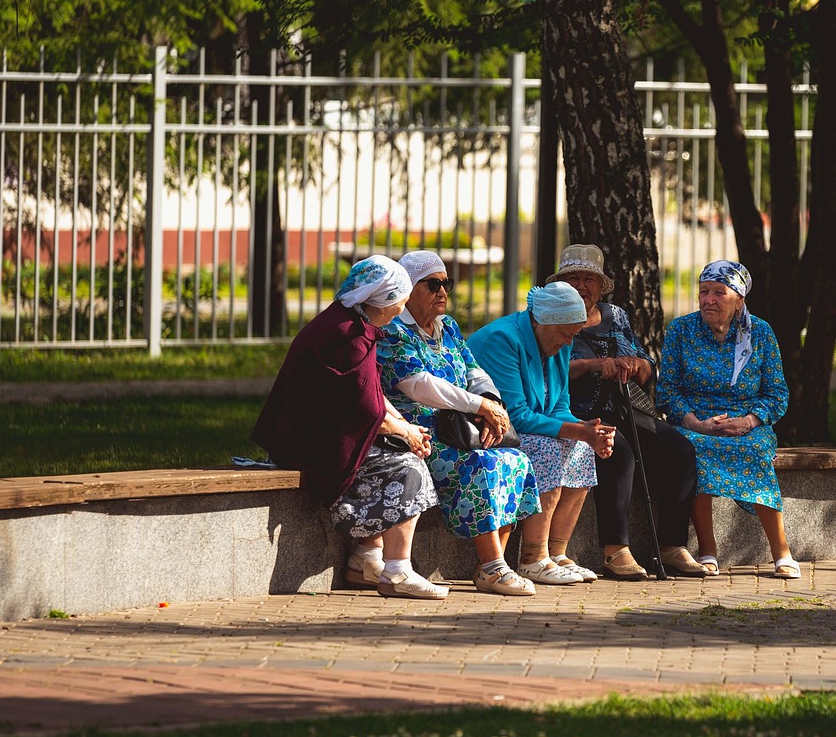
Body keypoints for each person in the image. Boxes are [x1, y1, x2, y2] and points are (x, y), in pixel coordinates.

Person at [251, 255, 450, 600]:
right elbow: (365, 408)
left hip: (319, 432)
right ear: (385, 301)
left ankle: (367, 559)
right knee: (408, 467)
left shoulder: (351, 322)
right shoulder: (348, 335)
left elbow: (369, 387)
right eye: (399, 302)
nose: (400, 310)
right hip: (307, 442)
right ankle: (397, 572)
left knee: (402, 449)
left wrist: (404, 425)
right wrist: (407, 433)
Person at [375, 250, 542, 597]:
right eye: (432, 284)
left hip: (462, 426)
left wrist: (493, 406)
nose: (442, 292)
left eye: (446, 283)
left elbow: (474, 371)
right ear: (408, 289)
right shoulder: (393, 329)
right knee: (478, 464)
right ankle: (494, 566)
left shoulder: (447, 326)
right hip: (420, 431)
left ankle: (491, 567)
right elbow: (418, 385)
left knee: (516, 459)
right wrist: (478, 405)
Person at [547, 244, 709, 579]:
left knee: (680, 449)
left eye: (588, 279)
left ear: (599, 285)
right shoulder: (550, 317)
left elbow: (646, 363)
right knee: (617, 449)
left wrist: (637, 365)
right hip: (576, 411)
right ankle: (615, 550)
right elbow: (546, 368)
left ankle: (672, 546)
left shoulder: (615, 315)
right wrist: (594, 365)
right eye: (573, 278)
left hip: (625, 407)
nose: (581, 286)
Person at [467, 282, 617, 585]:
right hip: (487, 431)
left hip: (525, 428)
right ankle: (532, 558)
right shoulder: (504, 338)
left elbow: (560, 405)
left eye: (573, 335)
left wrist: (588, 432)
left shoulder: (559, 340)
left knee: (581, 448)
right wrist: (579, 430)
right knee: (547, 449)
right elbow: (516, 416)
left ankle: (555, 554)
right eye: (565, 334)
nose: (568, 343)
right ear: (544, 322)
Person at [657, 260, 799, 579]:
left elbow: (777, 393)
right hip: (696, 423)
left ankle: (782, 552)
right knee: (692, 451)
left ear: (740, 301)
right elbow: (667, 391)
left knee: (755, 451)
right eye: (704, 291)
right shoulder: (681, 330)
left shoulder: (760, 333)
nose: (709, 299)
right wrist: (695, 423)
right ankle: (708, 551)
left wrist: (749, 421)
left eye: (720, 293)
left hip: (747, 423)